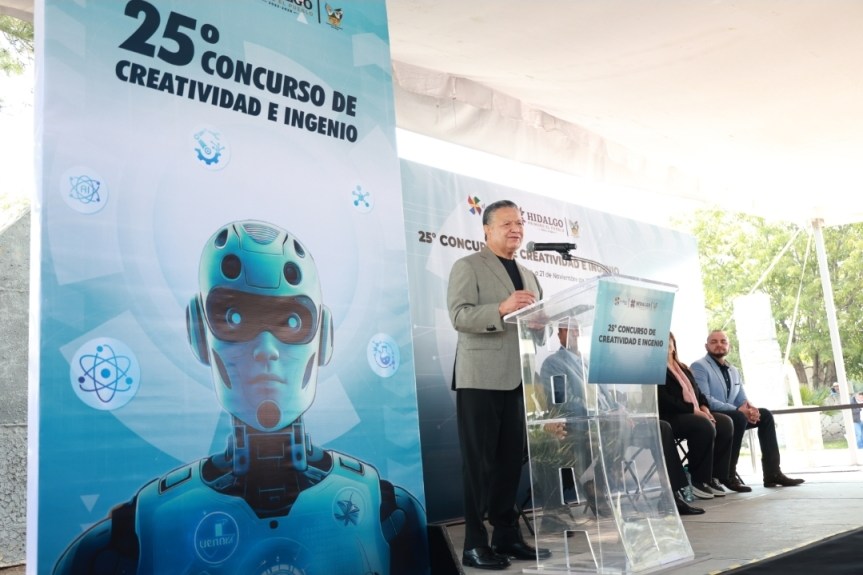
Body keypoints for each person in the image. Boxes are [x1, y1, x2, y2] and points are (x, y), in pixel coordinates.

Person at [54, 221, 428, 574]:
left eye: (292, 321)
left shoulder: (387, 511)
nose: (266, 350)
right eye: (234, 317)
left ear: (324, 335)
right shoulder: (137, 532)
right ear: (199, 333)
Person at [447, 199, 549, 570]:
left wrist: (540, 325)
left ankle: (506, 536)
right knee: (479, 464)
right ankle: (474, 544)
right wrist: (501, 309)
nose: (515, 229)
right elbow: (459, 316)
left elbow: (537, 329)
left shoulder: (530, 275)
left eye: (519, 223)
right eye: (506, 223)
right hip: (480, 378)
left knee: (509, 463)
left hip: (519, 378)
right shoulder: (468, 266)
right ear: (487, 229)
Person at [691, 330, 804, 489]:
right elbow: (705, 399)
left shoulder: (733, 370)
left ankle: (773, 473)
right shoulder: (699, 366)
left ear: (729, 345)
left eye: (723, 341)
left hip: (735, 415)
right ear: (706, 346)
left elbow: (741, 399)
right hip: (712, 415)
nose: (719, 345)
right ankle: (728, 475)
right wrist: (739, 411)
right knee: (738, 417)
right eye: (714, 342)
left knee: (765, 415)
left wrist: (751, 410)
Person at [659, 332, 734, 500]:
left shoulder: (684, 368)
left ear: (673, 345)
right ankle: (698, 479)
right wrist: (694, 411)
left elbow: (699, 393)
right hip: (672, 416)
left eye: (669, 341)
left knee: (725, 422)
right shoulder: (655, 370)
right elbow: (665, 400)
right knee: (702, 425)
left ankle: (714, 476)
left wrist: (704, 408)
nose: (666, 345)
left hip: (693, 412)